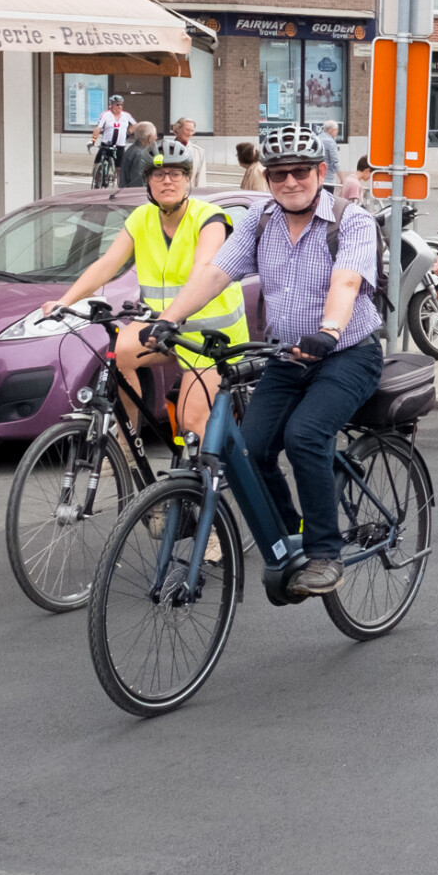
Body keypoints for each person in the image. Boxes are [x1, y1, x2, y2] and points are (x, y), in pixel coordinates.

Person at [155, 125, 382, 597]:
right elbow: (216, 273)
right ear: (267, 176)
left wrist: (328, 331)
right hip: (286, 356)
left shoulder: (352, 221)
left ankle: (325, 553)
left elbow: (346, 283)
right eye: (279, 173)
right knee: (250, 450)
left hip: (347, 353)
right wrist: (167, 319)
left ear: (320, 171)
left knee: (305, 436)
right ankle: (290, 532)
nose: (290, 181)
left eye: (301, 171)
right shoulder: (260, 221)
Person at [42, 137, 245, 443]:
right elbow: (107, 264)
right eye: (158, 174)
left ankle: (207, 472)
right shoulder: (141, 218)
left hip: (211, 339)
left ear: (187, 179)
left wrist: (172, 317)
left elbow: (203, 269)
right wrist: (64, 301)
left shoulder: (210, 218)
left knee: (190, 421)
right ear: (148, 181)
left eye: (175, 173)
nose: (167, 181)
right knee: (119, 353)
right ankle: (128, 441)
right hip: (163, 329)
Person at [92, 94, 134, 170]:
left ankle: (118, 178)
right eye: (117, 104)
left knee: (119, 169)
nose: (119, 106)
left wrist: (128, 133)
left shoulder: (126, 115)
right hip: (106, 144)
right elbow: (98, 128)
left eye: (121, 104)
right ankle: (97, 176)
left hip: (120, 145)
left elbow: (135, 125)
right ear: (111, 105)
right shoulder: (105, 115)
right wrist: (93, 140)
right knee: (97, 165)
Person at [117, 120, 157, 189]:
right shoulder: (141, 155)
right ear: (150, 138)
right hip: (134, 193)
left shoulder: (132, 149)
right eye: (155, 135)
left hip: (126, 191)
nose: (156, 138)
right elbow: (138, 182)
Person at [315, 120, 343, 187]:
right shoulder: (330, 142)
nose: (337, 133)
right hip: (328, 179)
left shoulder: (317, 139)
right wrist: (342, 179)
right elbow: (335, 162)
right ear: (332, 130)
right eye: (336, 130)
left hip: (316, 178)